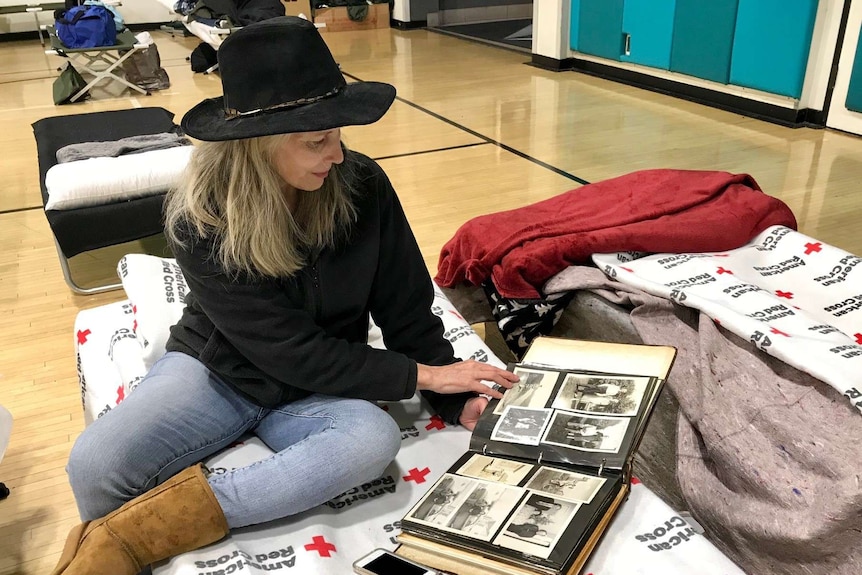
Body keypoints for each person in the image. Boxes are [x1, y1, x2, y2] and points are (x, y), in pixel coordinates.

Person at [51, 16, 518, 575]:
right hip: (220, 370)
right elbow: (282, 347)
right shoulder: (200, 217)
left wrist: (447, 389)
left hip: (320, 383)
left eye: (339, 134)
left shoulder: (364, 187)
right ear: (254, 146)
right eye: (316, 141)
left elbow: (405, 303)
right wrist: (424, 377)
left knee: (369, 440)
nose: (338, 155)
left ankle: (136, 534)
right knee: (96, 463)